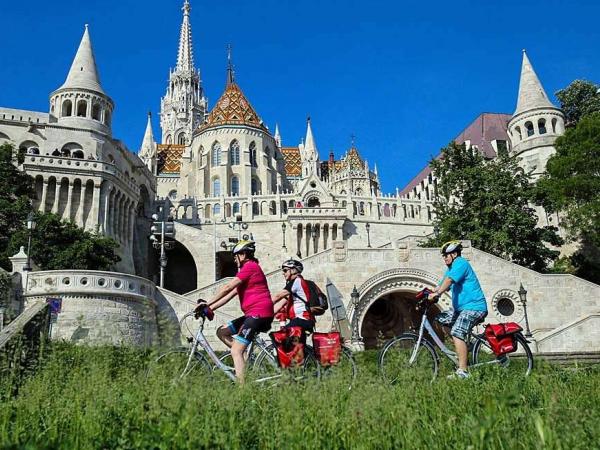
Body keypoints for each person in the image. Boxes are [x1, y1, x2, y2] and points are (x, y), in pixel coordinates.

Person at [195, 240, 274, 383]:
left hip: (259, 313)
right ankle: (242, 361)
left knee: (236, 350)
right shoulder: (248, 271)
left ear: (243, 255)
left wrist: (207, 302)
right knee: (221, 332)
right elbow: (229, 296)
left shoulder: (250, 267)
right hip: (252, 314)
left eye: (235, 256)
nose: (234, 259)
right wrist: (209, 308)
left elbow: (227, 288)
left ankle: (243, 390)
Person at [428, 240, 487, 379]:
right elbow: (442, 284)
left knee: (457, 331)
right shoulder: (451, 268)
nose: (444, 258)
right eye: (443, 256)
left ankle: (463, 372)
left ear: (454, 254)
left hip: (474, 307)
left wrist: (437, 294)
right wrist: (428, 292)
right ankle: (466, 347)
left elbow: (449, 282)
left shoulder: (460, 263)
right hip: (462, 310)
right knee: (441, 319)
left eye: (446, 255)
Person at [271, 259, 316, 343]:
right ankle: (304, 355)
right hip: (302, 320)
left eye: (285, 270)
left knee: (280, 337)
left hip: (302, 319)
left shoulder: (297, 282)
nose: (283, 273)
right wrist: (265, 314)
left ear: (294, 270)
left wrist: (261, 306)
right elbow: (279, 305)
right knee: (296, 348)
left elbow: (278, 296)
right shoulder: (295, 288)